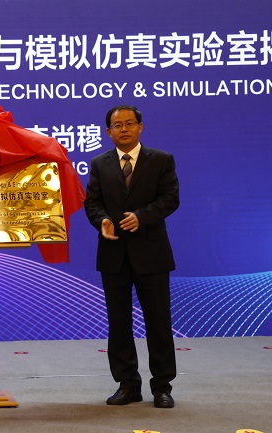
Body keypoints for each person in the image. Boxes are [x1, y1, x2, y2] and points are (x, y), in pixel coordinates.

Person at [84, 105, 179, 409]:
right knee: (119, 323)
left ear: (140, 126)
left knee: (159, 322)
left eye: (129, 123)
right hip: (114, 254)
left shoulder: (161, 160)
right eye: (117, 125)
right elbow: (92, 203)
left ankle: (162, 386)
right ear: (108, 131)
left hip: (152, 253)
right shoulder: (100, 163)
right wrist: (102, 221)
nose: (123, 129)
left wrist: (142, 217)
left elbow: (170, 199)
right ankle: (127, 385)